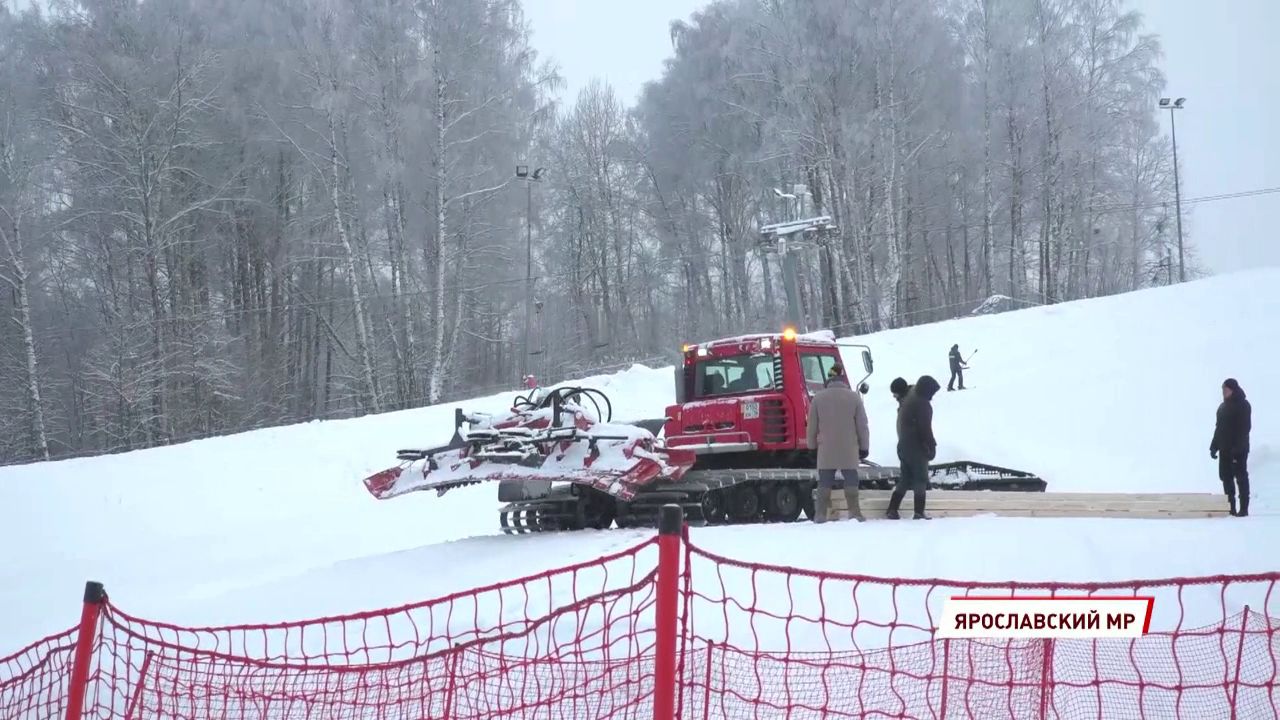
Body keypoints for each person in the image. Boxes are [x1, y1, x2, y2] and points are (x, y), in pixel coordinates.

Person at [806, 363, 870, 523]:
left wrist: (811, 447)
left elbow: (811, 426)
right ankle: (855, 513)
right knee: (851, 479)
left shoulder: (818, 398)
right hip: (849, 447)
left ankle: (820, 514)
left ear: (828, 379)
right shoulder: (854, 397)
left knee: (825, 481)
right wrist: (864, 447)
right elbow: (862, 425)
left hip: (826, 448)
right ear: (842, 378)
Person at [889, 375, 941, 520]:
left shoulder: (909, 398)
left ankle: (892, 509)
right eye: (932, 392)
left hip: (904, 445)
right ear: (927, 390)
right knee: (921, 478)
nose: (932, 396)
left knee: (905, 478)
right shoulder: (922, 403)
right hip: (916, 446)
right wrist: (931, 445)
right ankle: (919, 512)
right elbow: (925, 428)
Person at [1210, 378, 1252, 516]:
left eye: (1226, 389)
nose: (1223, 392)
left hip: (1238, 449)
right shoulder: (1222, 408)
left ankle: (1244, 508)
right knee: (1226, 477)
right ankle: (1231, 508)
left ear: (1233, 390)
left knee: (1240, 476)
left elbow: (1245, 428)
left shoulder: (1243, 405)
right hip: (1225, 448)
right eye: (1222, 389)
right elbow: (1219, 429)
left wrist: (1237, 448)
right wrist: (1214, 445)